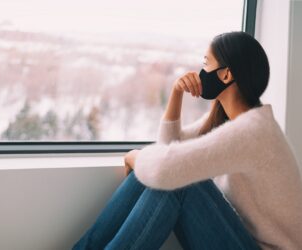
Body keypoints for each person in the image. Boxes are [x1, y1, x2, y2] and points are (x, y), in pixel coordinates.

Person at [72, 31, 302, 250]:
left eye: (206, 64)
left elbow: (166, 169)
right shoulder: (229, 121)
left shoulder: (253, 132)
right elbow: (167, 152)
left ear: (225, 74)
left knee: (178, 178)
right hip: (236, 237)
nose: (201, 72)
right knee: (162, 172)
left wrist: (135, 156)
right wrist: (176, 94)